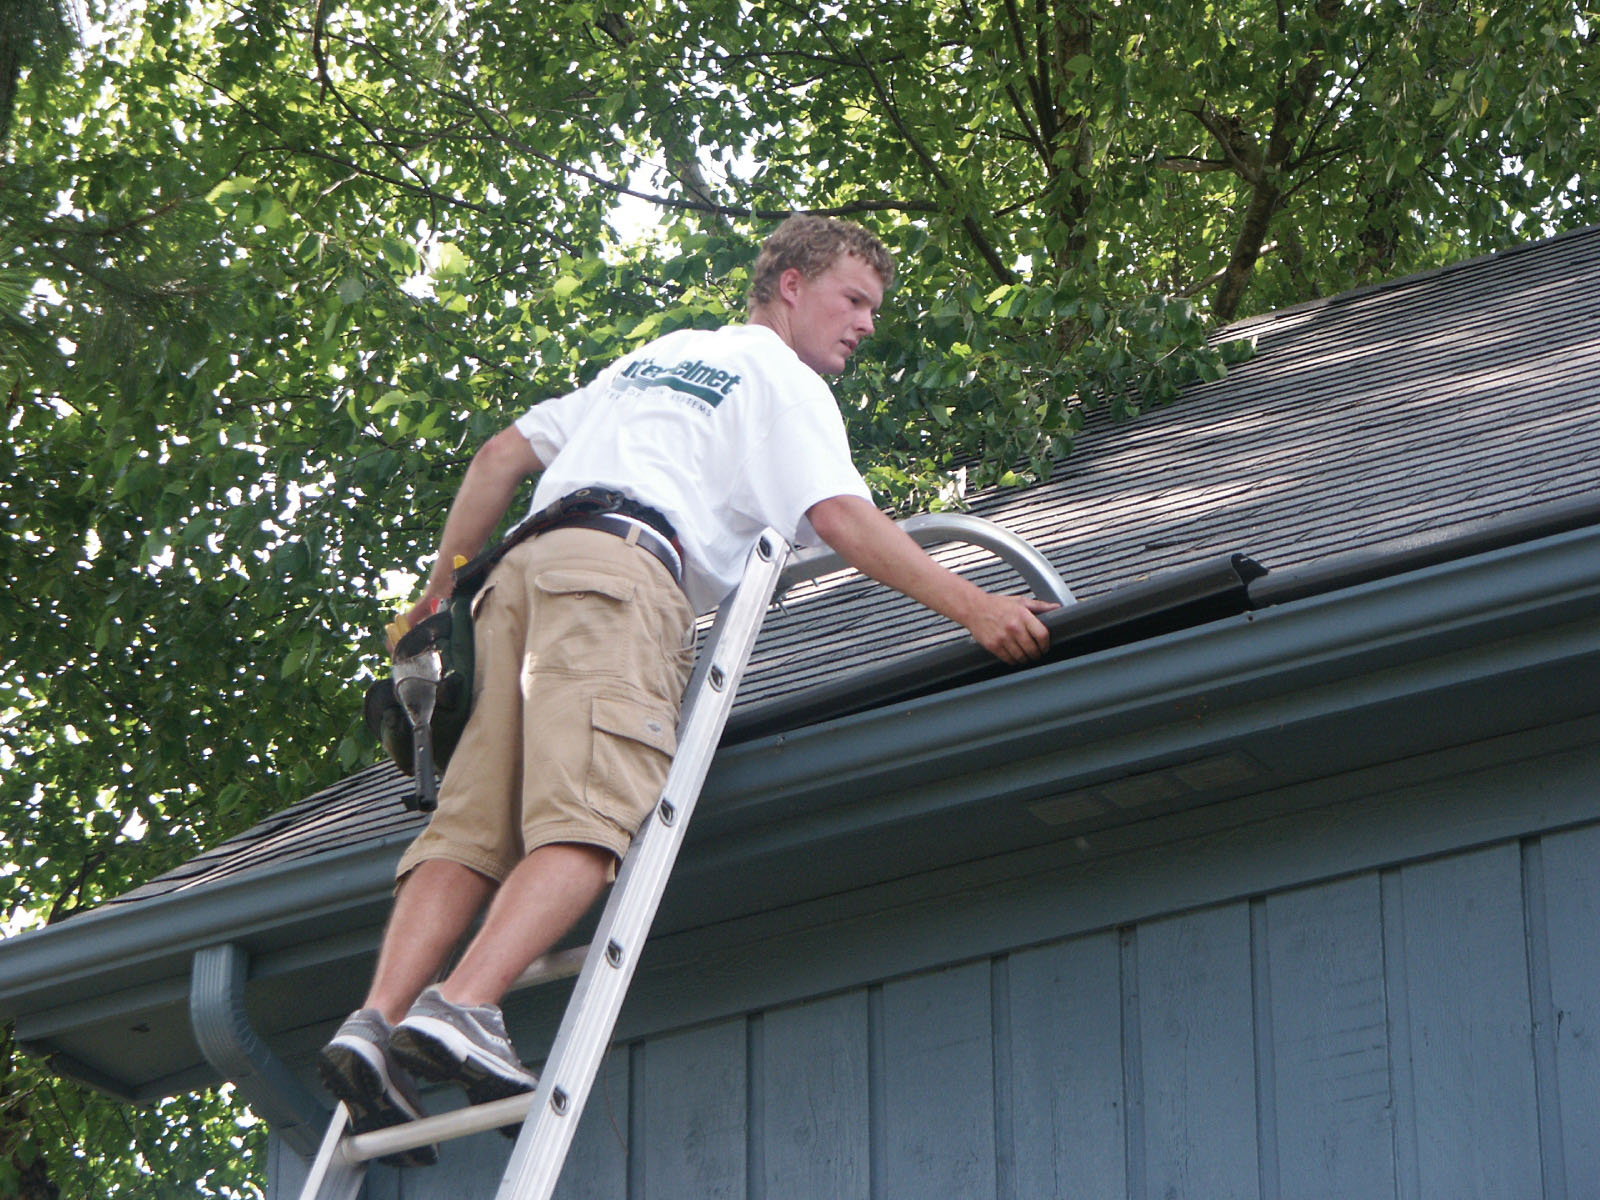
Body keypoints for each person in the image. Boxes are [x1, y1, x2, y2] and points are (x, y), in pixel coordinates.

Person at [317, 216, 1055, 1161]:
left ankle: (373, 1024)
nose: (867, 325)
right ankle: (463, 1006)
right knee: (592, 816)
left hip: (508, 589)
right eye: (855, 299)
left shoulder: (659, 359)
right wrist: (974, 606)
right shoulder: (782, 383)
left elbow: (501, 458)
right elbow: (840, 518)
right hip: (618, 581)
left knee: (472, 826)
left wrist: (435, 594)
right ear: (790, 284)